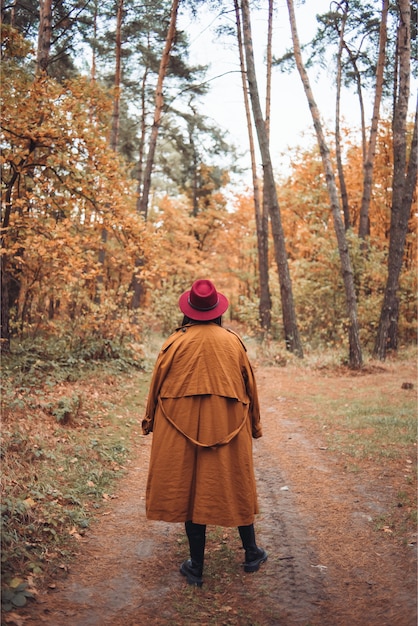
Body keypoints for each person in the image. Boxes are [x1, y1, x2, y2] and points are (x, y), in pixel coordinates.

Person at [142, 278, 267, 587]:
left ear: (189, 310)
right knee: (234, 480)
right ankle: (251, 553)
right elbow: (251, 385)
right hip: (227, 424)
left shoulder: (175, 341)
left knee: (188, 487)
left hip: (178, 425)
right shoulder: (232, 340)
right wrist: (255, 424)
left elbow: (155, 383)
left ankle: (196, 567)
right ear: (217, 310)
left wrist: (149, 420)